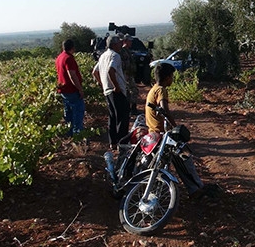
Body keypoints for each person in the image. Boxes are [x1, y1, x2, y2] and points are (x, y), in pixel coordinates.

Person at [145, 62, 219, 200]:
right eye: (172, 76)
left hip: (153, 133)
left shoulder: (153, 88)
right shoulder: (161, 90)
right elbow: (164, 109)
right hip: (161, 135)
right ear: (167, 77)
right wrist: (175, 127)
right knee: (184, 159)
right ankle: (196, 189)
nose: (173, 79)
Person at [93, 35, 130, 150]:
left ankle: (113, 142)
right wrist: (116, 86)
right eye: (119, 43)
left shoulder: (103, 56)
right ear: (114, 44)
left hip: (107, 91)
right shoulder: (115, 55)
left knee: (112, 117)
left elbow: (94, 72)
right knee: (122, 118)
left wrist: (102, 84)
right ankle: (122, 144)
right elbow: (111, 70)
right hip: (116, 91)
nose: (121, 44)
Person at [55, 39, 85, 138]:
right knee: (77, 113)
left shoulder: (59, 57)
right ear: (72, 48)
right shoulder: (69, 58)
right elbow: (72, 75)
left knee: (68, 113)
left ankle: (69, 134)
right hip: (72, 90)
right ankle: (78, 136)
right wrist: (80, 89)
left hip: (64, 90)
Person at [119, 34, 139, 115]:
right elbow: (123, 64)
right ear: (125, 41)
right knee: (134, 91)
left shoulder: (127, 50)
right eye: (129, 41)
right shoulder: (122, 51)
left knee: (128, 92)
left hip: (129, 74)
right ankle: (132, 109)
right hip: (126, 75)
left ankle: (129, 109)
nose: (131, 42)